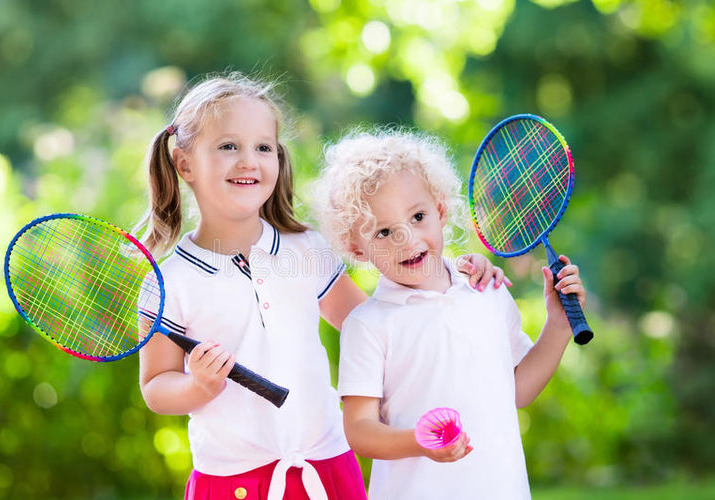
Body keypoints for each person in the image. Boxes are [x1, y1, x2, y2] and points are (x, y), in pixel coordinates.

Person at [133, 73, 505, 500]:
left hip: (328, 469)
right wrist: (198, 386)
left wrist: (455, 277)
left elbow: (379, 320)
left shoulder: (305, 249)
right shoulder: (169, 281)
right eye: (228, 146)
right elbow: (156, 386)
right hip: (231, 481)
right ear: (184, 164)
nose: (248, 161)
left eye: (263, 147)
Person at [312, 128, 587, 499]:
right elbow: (360, 429)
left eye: (418, 216)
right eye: (383, 232)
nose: (406, 239)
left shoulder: (486, 292)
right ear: (356, 249)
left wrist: (558, 324)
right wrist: (420, 442)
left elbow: (518, 390)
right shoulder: (368, 325)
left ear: (440, 210)